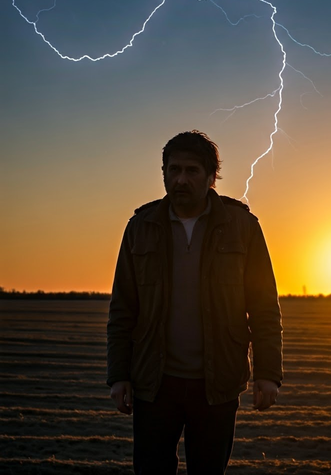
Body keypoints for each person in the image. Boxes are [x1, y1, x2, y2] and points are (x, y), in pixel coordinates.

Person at [107, 130, 283, 474]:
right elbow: (122, 309)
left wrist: (268, 374)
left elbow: (263, 306)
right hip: (154, 385)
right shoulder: (140, 227)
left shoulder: (242, 227)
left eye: (191, 171)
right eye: (173, 170)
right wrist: (118, 375)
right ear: (163, 174)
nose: (180, 179)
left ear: (211, 177)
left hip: (216, 385)